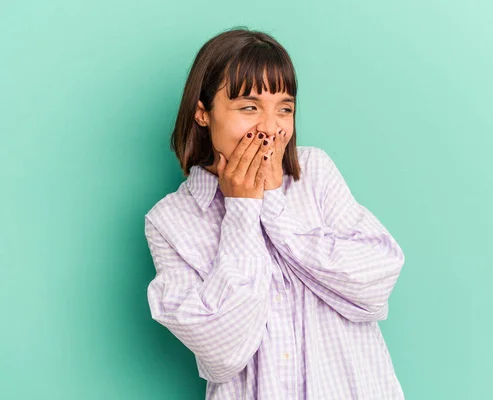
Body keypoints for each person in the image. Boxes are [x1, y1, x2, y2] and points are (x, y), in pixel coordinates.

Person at [144, 26, 406, 400]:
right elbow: (223, 352)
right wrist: (242, 209)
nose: (269, 128)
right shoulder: (169, 222)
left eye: (284, 109)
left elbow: (374, 285)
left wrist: (273, 204)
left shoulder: (314, 173)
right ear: (203, 113)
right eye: (249, 107)